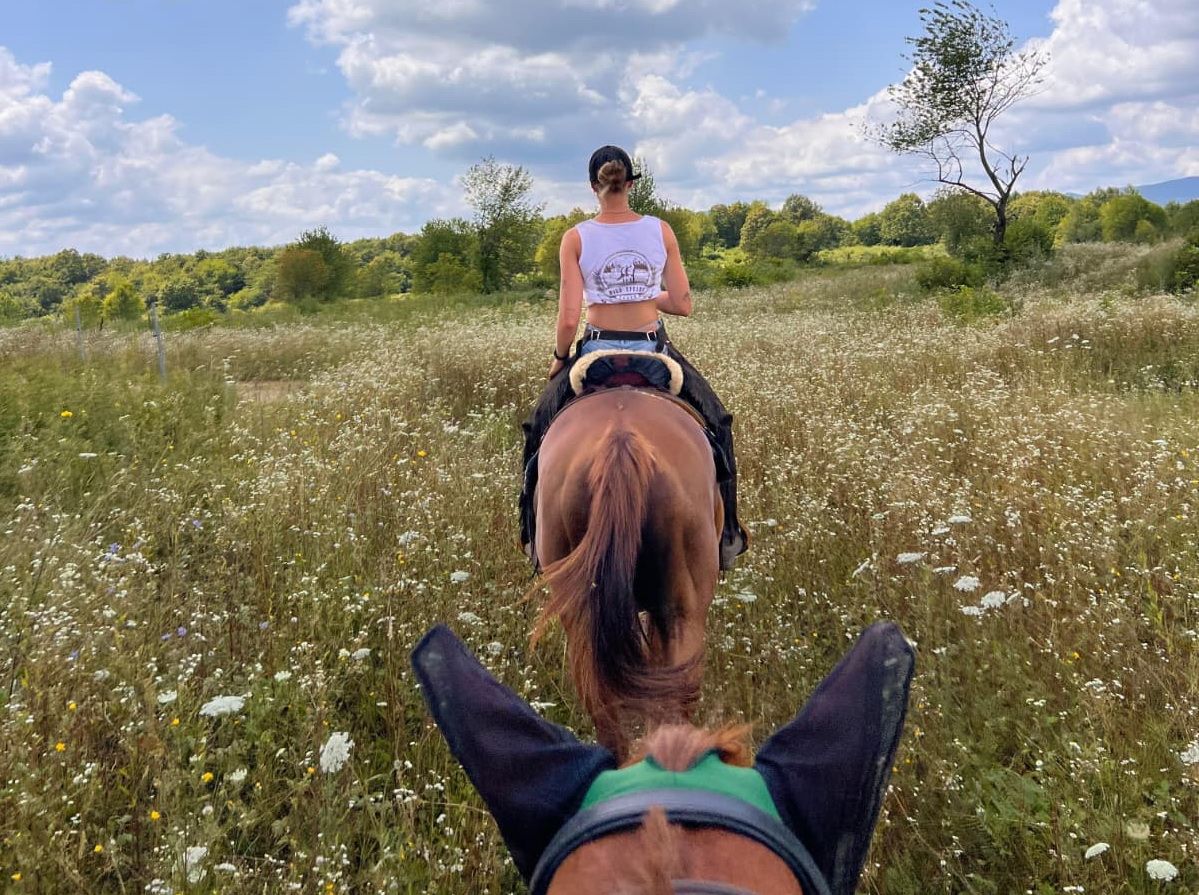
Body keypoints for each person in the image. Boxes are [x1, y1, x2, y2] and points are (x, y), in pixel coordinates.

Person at [520, 145, 747, 570]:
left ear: (594, 186)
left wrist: (559, 357)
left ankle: (532, 538)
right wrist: (645, 294)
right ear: (630, 184)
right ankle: (728, 534)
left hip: (596, 350)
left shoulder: (576, 237)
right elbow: (682, 304)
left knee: (536, 430)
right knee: (718, 423)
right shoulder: (660, 230)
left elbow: (569, 317)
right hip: (651, 349)